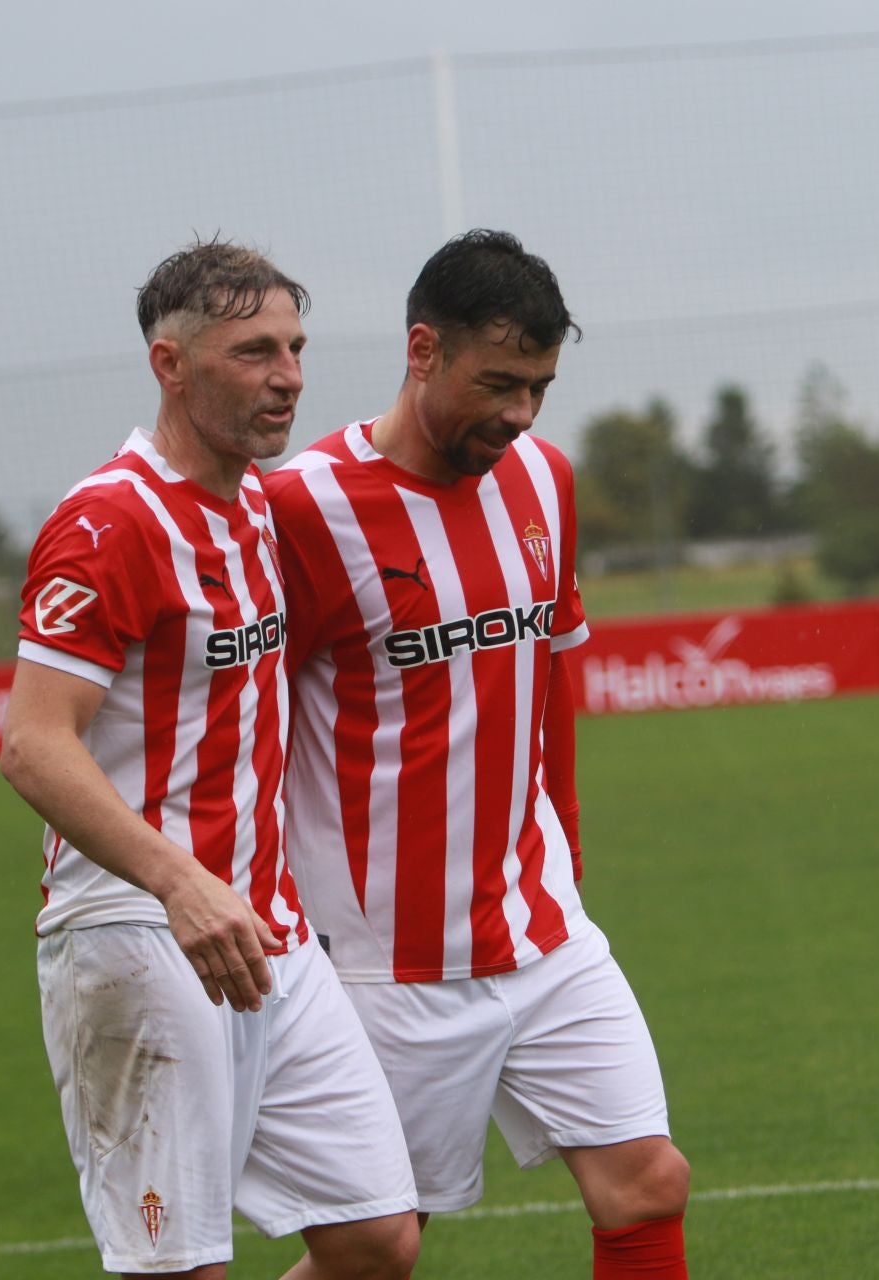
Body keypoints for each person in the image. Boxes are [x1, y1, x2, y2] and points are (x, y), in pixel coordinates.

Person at [265, 229, 692, 1279]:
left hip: (544, 929)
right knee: (377, 1250)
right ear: (422, 350)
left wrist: (568, 854)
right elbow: (253, 735)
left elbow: (549, 689)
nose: (521, 414)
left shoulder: (545, 479)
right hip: (381, 961)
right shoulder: (301, 509)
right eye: (499, 382)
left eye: (540, 386)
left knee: (647, 1180)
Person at [0, 238, 420, 1280]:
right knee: (180, 1265)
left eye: (295, 347)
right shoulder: (109, 521)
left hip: (267, 932)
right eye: (253, 352)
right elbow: (31, 742)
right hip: (141, 927)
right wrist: (181, 880)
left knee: (375, 1238)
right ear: (171, 365)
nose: (288, 375)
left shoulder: (255, 513)